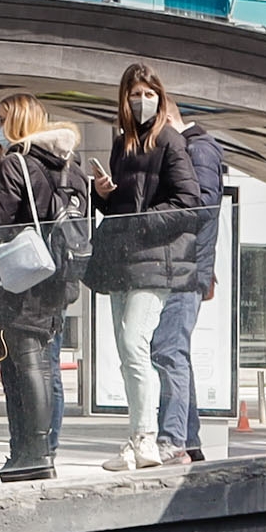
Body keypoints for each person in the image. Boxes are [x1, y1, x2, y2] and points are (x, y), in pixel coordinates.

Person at [91, 64, 208, 472]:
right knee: (128, 353)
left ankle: (145, 437)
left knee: (134, 343)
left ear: (160, 96)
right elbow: (120, 206)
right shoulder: (122, 145)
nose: (142, 101)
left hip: (158, 262)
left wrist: (144, 218)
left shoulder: (171, 142)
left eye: (149, 93)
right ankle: (136, 438)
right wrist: (103, 195)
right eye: (135, 94)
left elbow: (190, 202)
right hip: (123, 260)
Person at [0, 93, 88, 481]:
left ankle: (32, 452)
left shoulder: (16, 162)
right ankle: (33, 452)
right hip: (60, 277)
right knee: (39, 363)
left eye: (1, 118)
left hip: (25, 278)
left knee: (26, 364)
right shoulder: (71, 165)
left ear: (15, 122)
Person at [148, 100, 228, 463]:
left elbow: (202, 206)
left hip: (185, 267)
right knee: (173, 350)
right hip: (180, 266)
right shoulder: (190, 148)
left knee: (168, 350)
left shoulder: (197, 148)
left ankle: (173, 439)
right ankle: (188, 439)